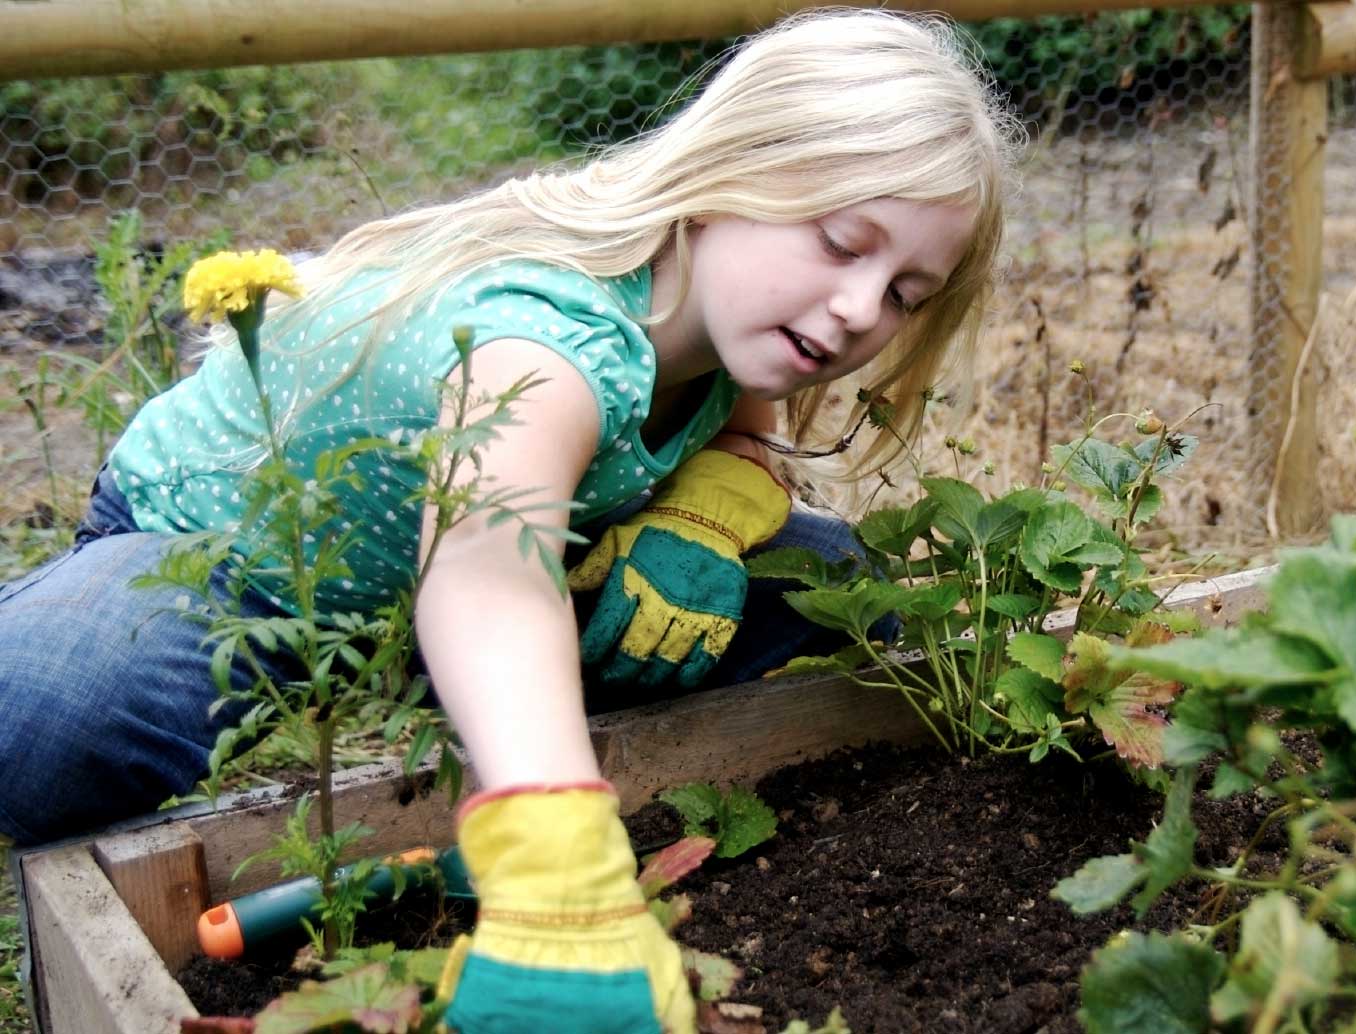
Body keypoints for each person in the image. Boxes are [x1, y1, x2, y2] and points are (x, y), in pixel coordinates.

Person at [0, 8, 1019, 1031]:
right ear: (723, 181)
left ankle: (495, 761)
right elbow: (490, 577)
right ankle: (523, 788)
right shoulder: (551, 342)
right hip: (235, 559)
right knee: (39, 711)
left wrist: (704, 517)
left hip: (453, 586)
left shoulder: (737, 317)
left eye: (902, 291)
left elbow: (737, 437)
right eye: (842, 243)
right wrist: (559, 877)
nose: (856, 309)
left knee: (830, 577)